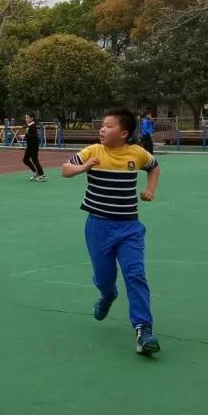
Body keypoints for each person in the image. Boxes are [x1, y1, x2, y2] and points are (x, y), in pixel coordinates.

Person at [61, 108, 162, 356]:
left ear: (124, 133)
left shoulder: (137, 154)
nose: (102, 129)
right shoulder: (92, 152)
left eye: (108, 126)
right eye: (102, 125)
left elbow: (154, 167)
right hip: (98, 227)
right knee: (105, 279)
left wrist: (151, 189)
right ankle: (108, 295)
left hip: (129, 228)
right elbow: (65, 169)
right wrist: (83, 168)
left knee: (135, 274)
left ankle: (143, 329)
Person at [22, 113, 46, 181]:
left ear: (31, 118)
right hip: (29, 146)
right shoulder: (29, 126)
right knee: (25, 160)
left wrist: (25, 136)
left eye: (27, 118)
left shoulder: (33, 126)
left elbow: (34, 136)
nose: (26, 119)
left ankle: (42, 175)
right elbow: (29, 134)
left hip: (33, 147)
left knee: (35, 160)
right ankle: (35, 172)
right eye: (25, 118)